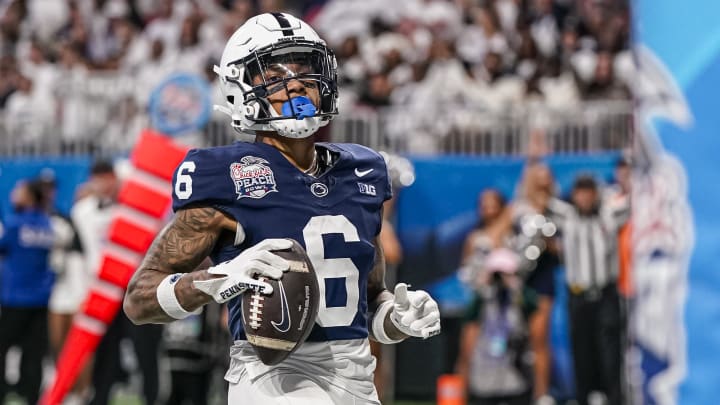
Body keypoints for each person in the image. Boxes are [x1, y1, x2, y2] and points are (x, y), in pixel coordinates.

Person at [123, 12, 441, 405]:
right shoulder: (223, 173)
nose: (297, 87)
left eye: (306, 74)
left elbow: (367, 304)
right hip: (271, 380)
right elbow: (139, 299)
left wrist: (397, 319)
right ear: (240, 89)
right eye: (275, 77)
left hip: (356, 383)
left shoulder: (362, 170)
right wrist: (220, 279)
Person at [546, 174, 629, 405]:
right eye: (580, 192)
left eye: (588, 191)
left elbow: (632, 200)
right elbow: (540, 197)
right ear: (574, 195)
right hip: (578, 295)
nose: (584, 197)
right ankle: (584, 397)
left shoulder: (608, 214)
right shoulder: (567, 217)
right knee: (581, 352)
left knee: (610, 352)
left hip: (605, 295)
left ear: (596, 193)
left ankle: (614, 398)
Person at [0, 179, 55, 405]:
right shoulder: (47, 224)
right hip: (41, 299)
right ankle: (31, 394)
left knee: (2, 347)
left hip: (15, 298)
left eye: (18, 190)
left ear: (29, 197)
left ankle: (3, 391)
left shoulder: (14, 225)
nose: (14, 193)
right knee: (34, 352)